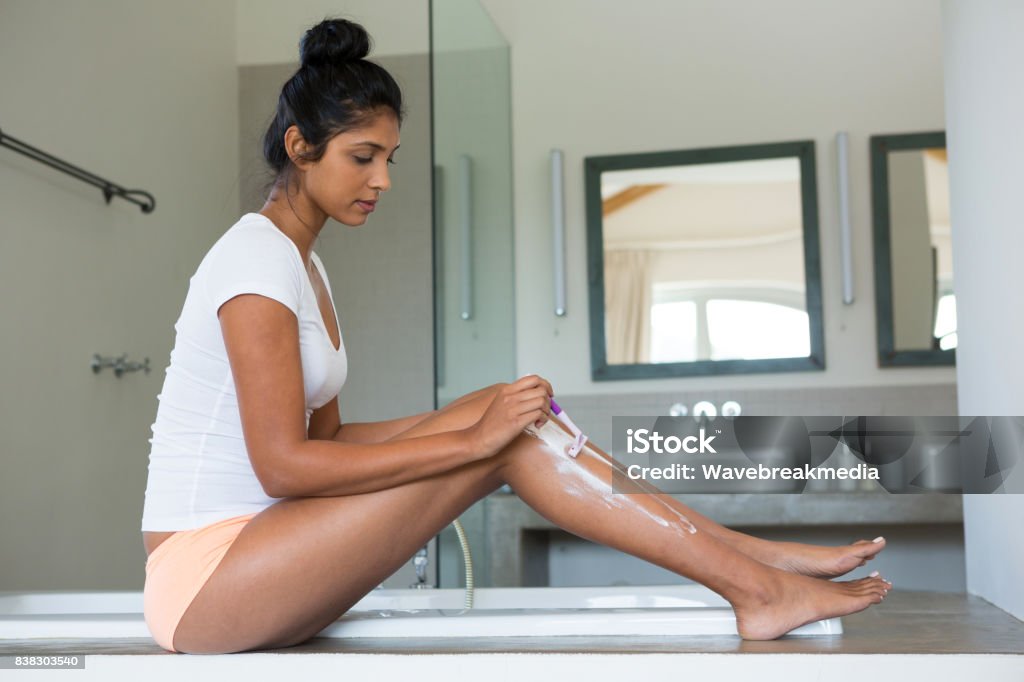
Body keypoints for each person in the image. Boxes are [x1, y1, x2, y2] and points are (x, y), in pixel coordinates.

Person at [140, 17, 891, 655]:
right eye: (361, 158)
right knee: (509, 438)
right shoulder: (254, 260)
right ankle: (757, 586)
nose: (383, 180)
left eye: (388, 159)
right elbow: (284, 466)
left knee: (511, 411)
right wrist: (474, 441)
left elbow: (332, 444)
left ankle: (754, 558)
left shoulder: (305, 267)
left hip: (268, 549)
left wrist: (488, 411)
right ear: (301, 148)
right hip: (207, 577)